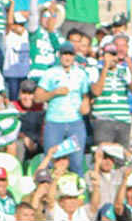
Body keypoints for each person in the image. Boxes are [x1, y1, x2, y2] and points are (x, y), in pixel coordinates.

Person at [35, 41, 90, 175]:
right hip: (54, 122)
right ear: (59, 56)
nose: (67, 57)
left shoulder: (81, 74)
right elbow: (37, 97)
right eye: (64, 54)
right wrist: (54, 93)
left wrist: (85, 104)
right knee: (51, 161)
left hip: (75, 122)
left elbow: (86, 94)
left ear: (74, 56)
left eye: (70, 54)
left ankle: (77, 193)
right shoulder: (50, 73)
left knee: (77, 163)